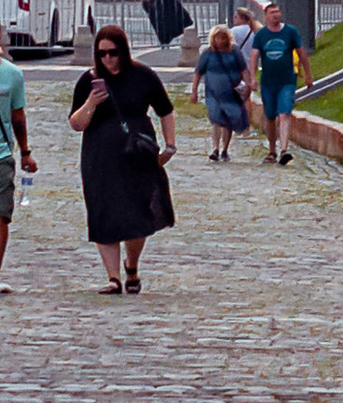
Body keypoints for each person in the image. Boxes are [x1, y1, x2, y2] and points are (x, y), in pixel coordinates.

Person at [69, 23, 177, 293]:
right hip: (100, 156)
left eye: (113, 53)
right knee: (103, 211)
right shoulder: (89, 80)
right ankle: (113, 277)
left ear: (124, 51)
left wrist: (170, 146)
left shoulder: (143, 75)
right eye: (102, 53)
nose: (108, 58)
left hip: (137, 153)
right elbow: (76, 123)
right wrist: (91, 103)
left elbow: (165, 110)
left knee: (138, 212)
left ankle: (132, 265)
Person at [243, 0, 305, 164]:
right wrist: (252, 78)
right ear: (266, 16)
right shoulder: (262, 35)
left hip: (287, 80)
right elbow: (254, 56)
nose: (276, 15)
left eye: (278, 12)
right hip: (268, 82)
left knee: (284, 113)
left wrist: (308, 74)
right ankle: (272, 150)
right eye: (272, 13)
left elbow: (301, 52)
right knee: (270, 116)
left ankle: (284, 149)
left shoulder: (291, 32)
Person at [0, 34, 33, 295]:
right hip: (2, 154)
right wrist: (25, 152)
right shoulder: (12, 74)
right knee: (1, 217)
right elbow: (17, 118)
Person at [192, 24, 249, 161]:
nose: (221, 41)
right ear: (213, 39)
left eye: (223, 38)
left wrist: (248, 85)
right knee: (216, 119)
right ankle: (215, 149)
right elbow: (198, 73)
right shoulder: (208, 53)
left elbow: (243, 69)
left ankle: (225, 150)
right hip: (213, 92)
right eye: (218, 38)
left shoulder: (234, 52)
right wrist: (194, 91)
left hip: (230, 92)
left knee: (227, 121)